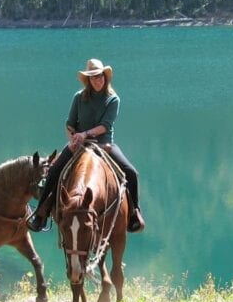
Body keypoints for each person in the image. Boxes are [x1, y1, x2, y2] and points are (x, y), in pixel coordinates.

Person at [28, 58, 145, 233]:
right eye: (93, 77)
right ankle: (41, 213)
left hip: (104, 144)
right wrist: (73, 138)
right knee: (53, 171)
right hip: (79, 144)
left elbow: (105, 125)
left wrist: (84, 134)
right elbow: (70, 123)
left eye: (100, 76)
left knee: (131, 173)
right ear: (88, 80)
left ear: (105, 77)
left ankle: (134, 214)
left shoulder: (113, 99)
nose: (97, 80)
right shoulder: (78, 97)